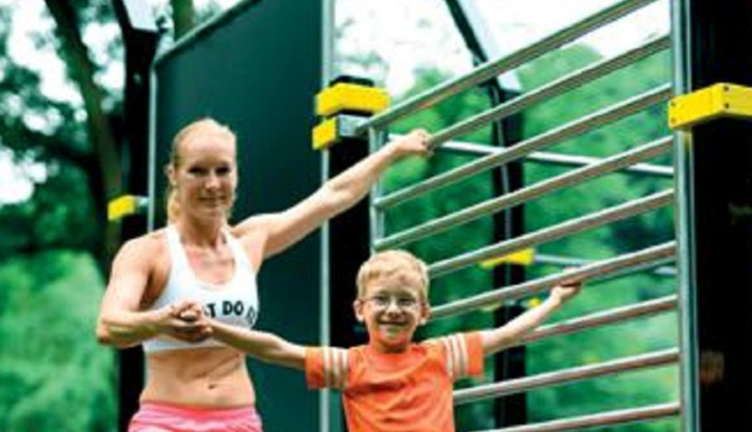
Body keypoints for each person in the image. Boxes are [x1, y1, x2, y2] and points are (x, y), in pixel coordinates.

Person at [95, 118, 431, 432]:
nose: (212, 184)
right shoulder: (147, 252)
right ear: (173, 175)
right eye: (197, 171)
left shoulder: (250, 241)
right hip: (165, 421)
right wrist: (160, 322)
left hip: (238, 420)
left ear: (236, 173)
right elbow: (108, 326)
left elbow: (333, 196)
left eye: (222, 170)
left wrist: (393, 151)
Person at [207, 249, 582, 432]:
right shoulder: (350, 364)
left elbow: (504, 335)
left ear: (424, 313)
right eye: (381, 299)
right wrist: (213, 327)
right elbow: (277, 350)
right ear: (360, 310)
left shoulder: (441, 356)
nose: (393, 310)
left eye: (405, 301)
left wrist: (554, 300)